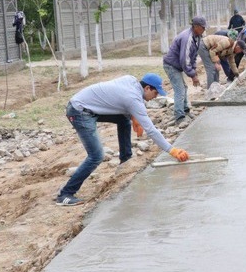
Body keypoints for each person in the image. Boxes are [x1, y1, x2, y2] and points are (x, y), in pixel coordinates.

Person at [58, 73, 190, 206]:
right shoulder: (133, 98)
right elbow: (150, 130)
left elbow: (119, 99)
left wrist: (133, 117)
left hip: (88, 106)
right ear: (147, 88)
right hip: (79, 111)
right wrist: (172, 150)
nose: (155, 97)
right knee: (96, 156)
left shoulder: (131, 81)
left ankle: (125, 162)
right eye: (155, 93)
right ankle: (66, 194)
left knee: (124, 120)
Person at [163, 16, 205, 125]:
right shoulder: (187, 38)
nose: (204, 30)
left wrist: (194, 71)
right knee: (180, 90)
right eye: (202, 27)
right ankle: (179, 117)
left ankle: (186, 111)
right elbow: (184, 60)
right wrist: (193, 76)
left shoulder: (198, 37)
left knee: (184, 87)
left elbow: (194, 57)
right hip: (171, 65)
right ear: (195, 27)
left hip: (178, 65)